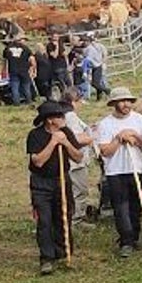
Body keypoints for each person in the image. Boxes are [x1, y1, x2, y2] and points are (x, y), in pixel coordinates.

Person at [26, 101, 83, 275]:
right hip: (41, 183)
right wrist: (53, 142)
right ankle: (46, 258)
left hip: (62, 180)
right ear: (50, 120)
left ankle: (63, 252)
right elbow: (38, 161)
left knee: (64, 215)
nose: (63, 118)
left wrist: (65, 143)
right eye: (60, 116)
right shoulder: (35, 135)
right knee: (44, 221)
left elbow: (78, 157)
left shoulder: (66, 132)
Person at [95, 87, 142, 258]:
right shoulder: (106, 124)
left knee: (137, 204)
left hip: (138, 168)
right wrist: (119, 138)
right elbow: (105, 151)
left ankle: (135, 236)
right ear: (114, 104)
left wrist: (135, 135)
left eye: (128, 100)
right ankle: (125, 240)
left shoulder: (140, 120)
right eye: (122, 101)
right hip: (116, 171)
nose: (126, 104)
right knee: (121, 207)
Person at [60, 88, 96, 223]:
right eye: (79, 100)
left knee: (73, 189)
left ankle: (72, 216)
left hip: (71, 160)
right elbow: (76, 139)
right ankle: (77, 219)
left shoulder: (63, 115)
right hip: (75, 161)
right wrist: (91, 137)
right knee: (79, 190)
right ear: (74, 102)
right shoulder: (70, 116)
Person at [1, 33, 36, 106]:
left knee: (14, 87)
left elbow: (5, 60)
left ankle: (16, 103)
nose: (24, 41)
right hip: (24, 70)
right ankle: (28, 101)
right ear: (20, 40)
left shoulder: (7, 48)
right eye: (24, 40)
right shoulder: (26, 48)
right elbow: (32, 60)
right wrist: (33, 68)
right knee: (26, 86)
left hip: (13, 70)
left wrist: (4, 70)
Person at [84, 35, 110, 101]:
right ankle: (98, 98)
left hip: (96, 66)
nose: (84, 43)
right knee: (97, 83)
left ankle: (106, 90)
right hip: (96, 66)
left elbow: (88, 59)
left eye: (85, 41)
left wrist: (85, 67)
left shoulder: (90, 49)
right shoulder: (92, 47)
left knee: (94, 83)